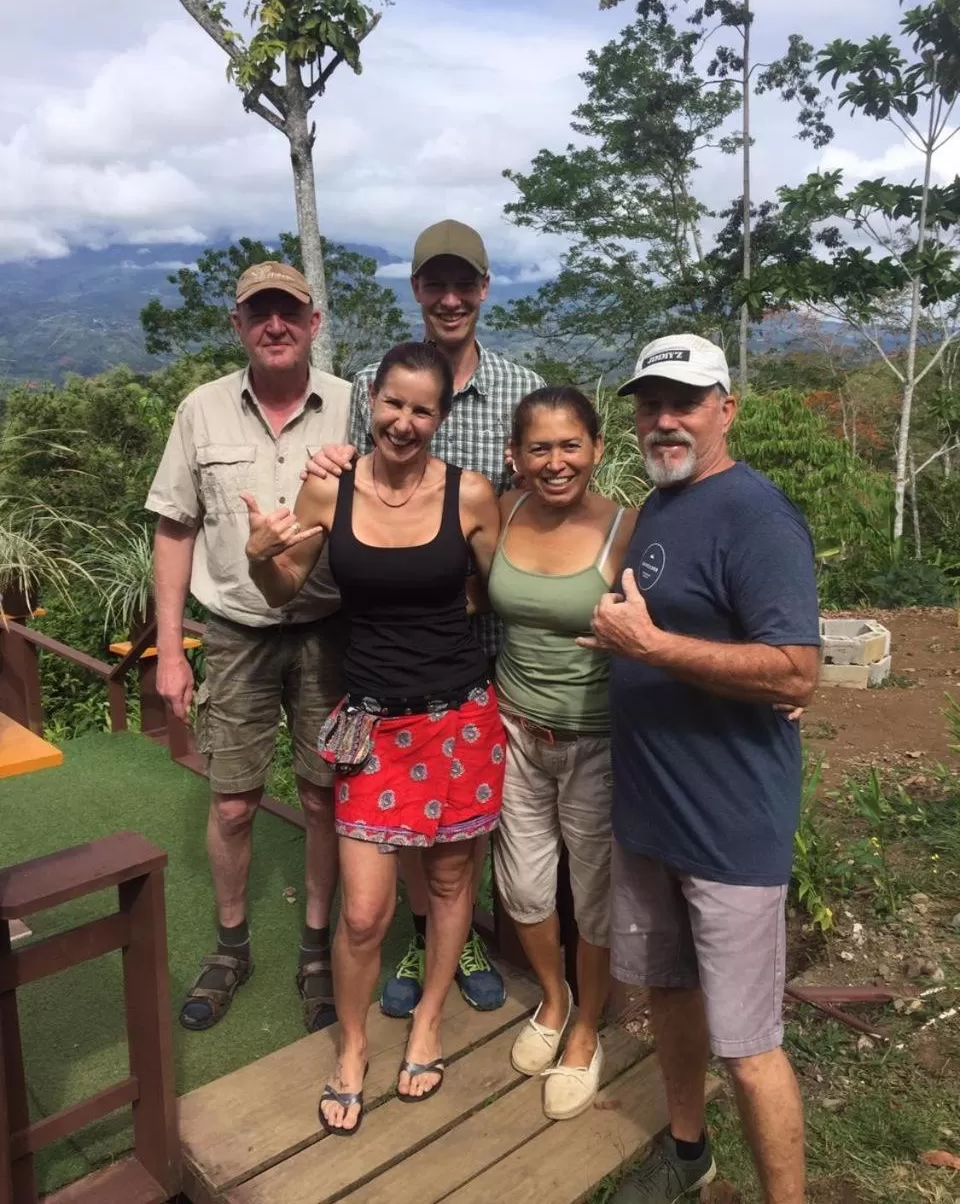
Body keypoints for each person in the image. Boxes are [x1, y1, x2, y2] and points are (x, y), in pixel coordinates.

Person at [579, 334, 821, 1204]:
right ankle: (688, 1154)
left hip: (728, 826)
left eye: (685, 402)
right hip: (651, 814)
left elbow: (798, 668)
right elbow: (635, 608)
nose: (665, 420)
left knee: (750, 1048)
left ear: (728, 408)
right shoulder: (658, 507)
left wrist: (654, 646)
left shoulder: (756, 515)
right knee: (670, 997)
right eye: (650, 404)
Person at [245, 340, 505, 1136]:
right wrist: (260, 558)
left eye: (422, 408)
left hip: (461, 716)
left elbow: (507, 590)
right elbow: (284, 586)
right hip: (373, 724)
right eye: (392, 403)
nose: (405, 421)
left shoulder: (471, 496)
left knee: (454, 883)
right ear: (372, 403)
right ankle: (352, 1045)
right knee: (364, 912)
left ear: (442, 415)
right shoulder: (329, 488)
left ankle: (427, 1019)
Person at [308, 219, 544, 1017]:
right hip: (393, 641)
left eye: (464, 284)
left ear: (484, 289)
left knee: (460, 825)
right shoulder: (375, 383)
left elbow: (552, 493)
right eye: (434, 284)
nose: (450, 298)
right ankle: (425, 935)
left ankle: (461, 934)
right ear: (416, 290)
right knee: (404, 811)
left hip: (489, 639)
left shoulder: (520, 388)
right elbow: (356, 482)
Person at [147, 261, 350, 1034]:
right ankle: (232, 944)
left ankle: (316, 947)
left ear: (312, 322)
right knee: (232, 800)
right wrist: (170, 650)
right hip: (233, 631)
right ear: (237, 325)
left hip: (331, 629)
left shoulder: (352, 409)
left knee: (323, 796)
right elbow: (175, 526)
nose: (275, 325)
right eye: (259, 313)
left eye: (288, 312)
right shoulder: (201, 410)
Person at [488, 386, 637, 1120]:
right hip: (514, 731)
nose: (556, 462)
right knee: (523, 887)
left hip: (597, 741)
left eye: (570, 445)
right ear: (515, 456)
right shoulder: (496, 513)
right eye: (539, 448)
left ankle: (585, 1029)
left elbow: (692, 603)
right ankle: (553, 998)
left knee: (596, 894)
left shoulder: (628, 529)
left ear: (598, 449)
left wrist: (776, 674)